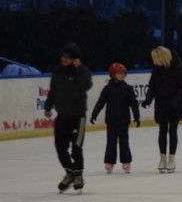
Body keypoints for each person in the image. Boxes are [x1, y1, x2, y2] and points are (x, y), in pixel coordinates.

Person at [44, 42, 93, 193]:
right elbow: (53, 90)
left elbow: (86, 85)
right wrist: (48, 106)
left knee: (76, 148)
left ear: (75, 59)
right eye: (63, 56)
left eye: (68, 57)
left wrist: (79, 68)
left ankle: (78, 175)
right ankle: (70, 172)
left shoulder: (81, 71)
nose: (64, 59)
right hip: (62, 116)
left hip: (78, 117)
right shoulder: (58, 72)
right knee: (60, 147)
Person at [141, 46, 182, 173]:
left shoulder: (179, 67)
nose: (155, 61)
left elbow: (181, 88)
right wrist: (148, 99)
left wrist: (175, 103)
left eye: (156, 59)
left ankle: (171, 158)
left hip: (176, 104)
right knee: (162, 130)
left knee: (172, 130)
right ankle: (162, 158)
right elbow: (152, 86)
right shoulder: (157, 68)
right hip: (161, 104)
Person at [90, 63, 140, 174]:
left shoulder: (128, 89)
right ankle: (110, 161)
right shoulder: (107, 89)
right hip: (111, 121)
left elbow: (133, 104)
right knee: (111, 142)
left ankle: (126, 161)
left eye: (124, 73)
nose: (122, 75)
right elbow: (101, 102)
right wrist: (94, 114)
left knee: (124, 142)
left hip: (123, 120)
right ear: (112, 74)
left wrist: (137, 116)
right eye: (119, 73)